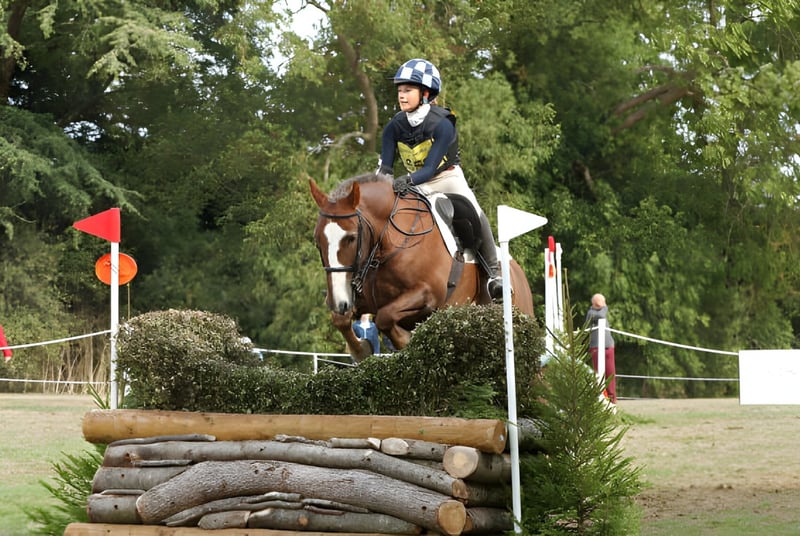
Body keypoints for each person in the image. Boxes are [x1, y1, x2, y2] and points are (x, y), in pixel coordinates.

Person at [376, 58, 503, 301]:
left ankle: (494, 275)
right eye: (400, 91)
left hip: (446, 178)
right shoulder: (393, 127)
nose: (401, 96)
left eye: (408, 91)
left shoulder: (443, 123)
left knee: (476, 212)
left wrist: (406, 181)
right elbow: (385, 168)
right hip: (416, 183)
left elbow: (430, 168)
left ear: (425, 93)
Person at [585, 293, 616, 405]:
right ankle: (602, 400)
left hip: (608, 348)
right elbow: (602, 315)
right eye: (603, 302)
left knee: (610, 375)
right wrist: (605, 306)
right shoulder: (591, 313)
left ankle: (612, 401)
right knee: (599, 376)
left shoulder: (601, 310)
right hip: (597, 349)